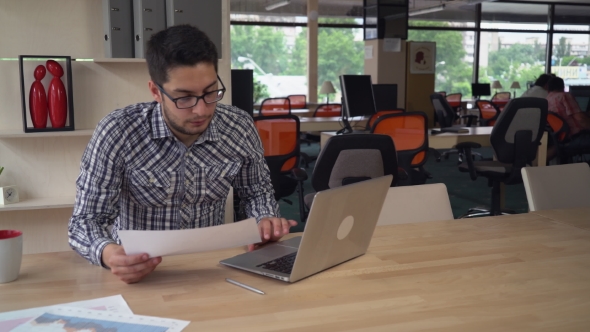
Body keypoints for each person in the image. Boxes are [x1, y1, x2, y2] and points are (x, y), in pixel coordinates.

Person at [68, 25, 297, 284]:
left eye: (211, 92)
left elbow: (256, 193)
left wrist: (265, 219)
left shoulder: (239, 127)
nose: (201, 109)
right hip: (142, 272)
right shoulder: (118, 131)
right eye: (184, 98)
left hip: (213, 269)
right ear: (156, 91)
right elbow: (85, 221)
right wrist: (109, 254)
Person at [546, 76, 590, 160]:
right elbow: (581, 119)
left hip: (561, 139)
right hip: (575, 138)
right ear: (562, 86)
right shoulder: (564, 96)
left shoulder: (548, 99)